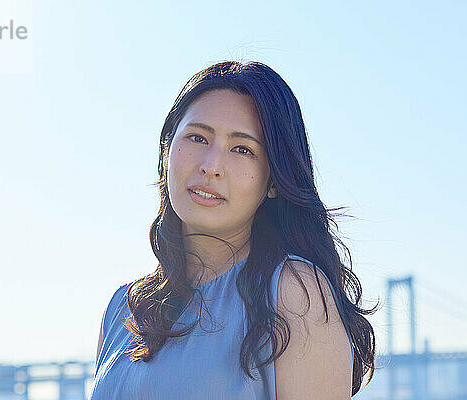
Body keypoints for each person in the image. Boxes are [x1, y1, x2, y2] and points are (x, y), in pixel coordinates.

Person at [89, 61, 377, 399]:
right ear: (167, 150)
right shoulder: (123, 308)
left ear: (273, 180)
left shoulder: (294, 293)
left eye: (242, 149)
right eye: (198, 138)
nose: (211, 166)